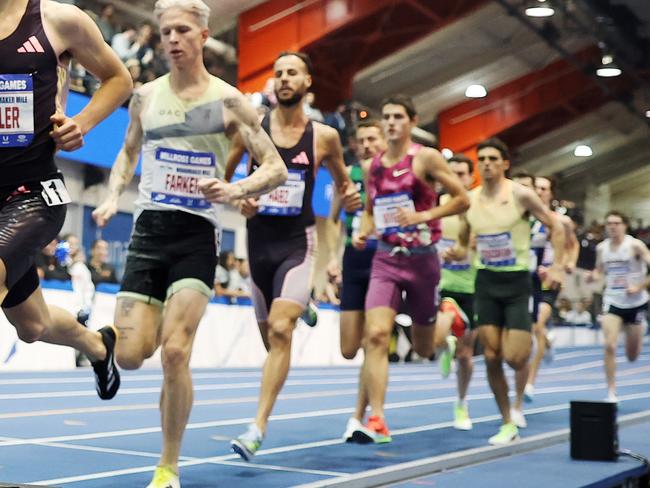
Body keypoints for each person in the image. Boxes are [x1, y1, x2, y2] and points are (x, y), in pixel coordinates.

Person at [91, 0, 287, 486]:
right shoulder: (145, 96)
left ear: (203, 35)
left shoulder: (229, 101)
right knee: (134, 357)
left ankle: (168, 465)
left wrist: (235, 189)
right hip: (149, 230)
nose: (173, 40)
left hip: (196, 235)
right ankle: (112, 342)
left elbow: (275, 167)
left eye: (182, 31)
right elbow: (128, 151)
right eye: (165, 32)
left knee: (176, 352)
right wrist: (114, 194)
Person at [224, 51, 361, 460]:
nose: (284, 79)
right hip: (259, 242)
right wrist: (239, 200)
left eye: (292, 73)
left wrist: (350, 196)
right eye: (278, 73)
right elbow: (226, 174)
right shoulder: (252, 127)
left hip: (297, 243)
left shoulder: (324, 137)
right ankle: (304, 302)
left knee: (281, 331)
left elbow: (342, 183)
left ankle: (256, 427)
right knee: (272, 340)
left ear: (306, 83)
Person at [0, 0, 131, 406]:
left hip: (33, 193)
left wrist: (82, 122)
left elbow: (118, 78)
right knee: (33, 325)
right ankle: (97, 346)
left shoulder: (58, 19)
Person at [351, 94, 469, 443]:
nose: (390, 123)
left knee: (423, 349)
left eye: (397, 116)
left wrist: (423, 215)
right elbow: (373, 209)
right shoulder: (374, 165)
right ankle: (378, 419)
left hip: (423, 260)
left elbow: (463, 198)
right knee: (374, 335)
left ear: (413, 121)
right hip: (386, 257)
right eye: (385, 116)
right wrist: (363, 230)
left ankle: (448, 314)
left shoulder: (426, 158)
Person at [449, 137, 565, 445]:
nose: (486, 163)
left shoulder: (521, 195)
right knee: (489, 355)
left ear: (504, 163)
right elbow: (463, 237)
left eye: (492, 158)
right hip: (486, 282)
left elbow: (557, 227)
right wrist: (459, 251)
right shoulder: (469, 199)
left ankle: (533, 347)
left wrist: (557, 266)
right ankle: (506, 423)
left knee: (514, 358)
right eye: (481, 158)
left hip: (517, 283)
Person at [328, 119, 386, 441]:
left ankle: (361, 416)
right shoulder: (348, 177)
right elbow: (333, 221)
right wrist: (333, 259)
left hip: (383, 261)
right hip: (353, 261)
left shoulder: (393, 175)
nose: (366, 145)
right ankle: (364, 415)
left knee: (372, 341)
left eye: (372, 139)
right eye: (361, 140)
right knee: (350, 348)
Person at [518, 175, 578, 406]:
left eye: (545, 189)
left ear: (550, 193)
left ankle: (530, 383)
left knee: (536, 325)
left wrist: (562, 267)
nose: (541, 192)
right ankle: (548, 342)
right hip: (525, 278)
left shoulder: (560, 221)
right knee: (531, 330)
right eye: (538, 188)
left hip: (547, 283)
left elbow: (572, 247)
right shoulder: (521, 217)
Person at [434, 154, 478, 431]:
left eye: (462, 173)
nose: (457, 178)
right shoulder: (435, 206)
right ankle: (443, 345)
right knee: (437, 338)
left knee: (465, 355)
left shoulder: (478, 208)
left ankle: (461, 403)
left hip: (472, 288)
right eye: (453, 173)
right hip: (441, 284)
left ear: (470, 177)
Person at [587, 211, 650, 403]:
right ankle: (611, 392)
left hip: (636, 303)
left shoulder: (634, 245)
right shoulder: (602, 249)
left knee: (632, 355)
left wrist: (638, 287)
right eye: (609, 224)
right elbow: (599, 270)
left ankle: (638, 330)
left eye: (616, 223)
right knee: (609, 345)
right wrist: (593, 276)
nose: (612, 227)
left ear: (625, 225)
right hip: (612, 300)